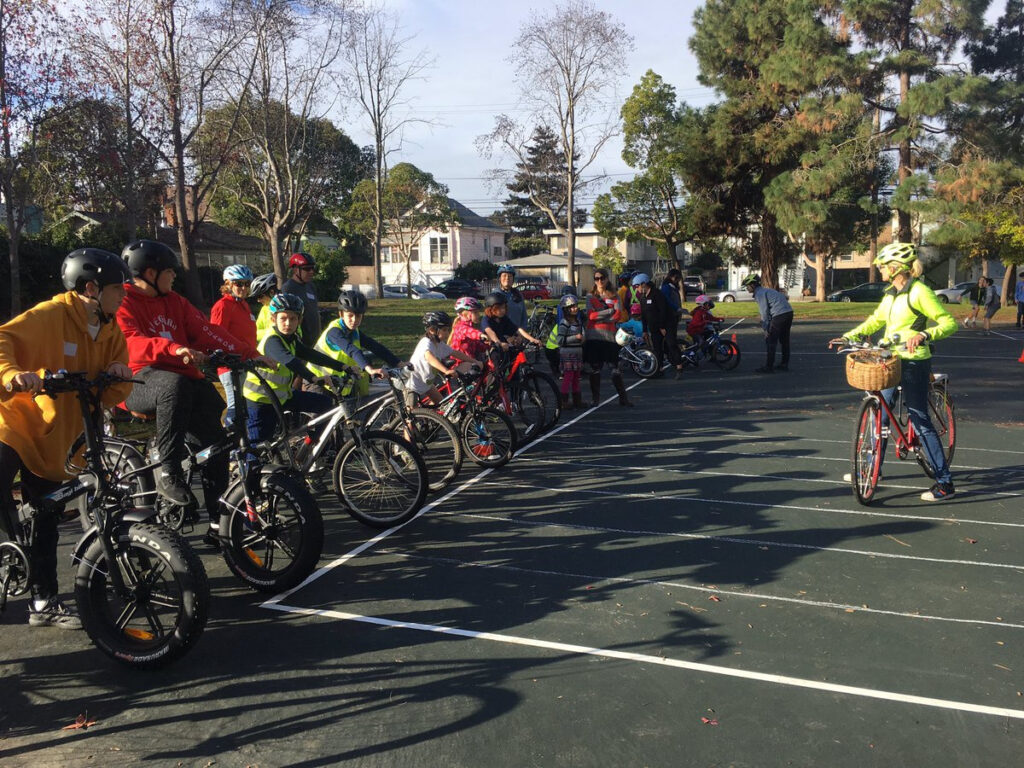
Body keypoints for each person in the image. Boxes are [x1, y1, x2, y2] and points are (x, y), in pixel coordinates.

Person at [0, 248, 133, 628]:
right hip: (16, 423)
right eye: (116, 288)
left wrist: (118, 372)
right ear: (91, 288)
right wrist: (11, 374)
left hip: (59, 437)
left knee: (46, 516)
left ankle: (43, 603)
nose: (124, 294)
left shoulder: (109, 330)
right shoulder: (51, 314)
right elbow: (3, 340)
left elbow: (110, 393)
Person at [116, 239, 253, 540]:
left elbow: (206, 330)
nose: (175, 276)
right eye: (170, 271)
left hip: (181, 380)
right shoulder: (123, 301)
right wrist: (174, 348)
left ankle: (220, 526)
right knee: (173, 384)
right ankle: (169, 472)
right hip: (137, 381)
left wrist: (249, 354)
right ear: (150, 273)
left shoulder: (174, 301)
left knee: (218, 441)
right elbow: (131, 344)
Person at [829, 241, 958, 501]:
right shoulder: (891, 292)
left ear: (896, 267)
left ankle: (945, 483)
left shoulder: (919, 291)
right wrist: (847, 336)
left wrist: (924, 333)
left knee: (919, 418)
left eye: (884, 266)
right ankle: (873, 468)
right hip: (890, 359)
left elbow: (949, 322)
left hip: (914, 361)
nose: (880, 270)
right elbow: (876, 320)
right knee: (880, 413)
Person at [242, 293, 359, 443]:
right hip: (261, 401)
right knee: (260, 447)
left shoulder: (290, 338)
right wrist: (314, 378)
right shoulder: (272, 341)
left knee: (325, 404)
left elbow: (312, 355)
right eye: (283, 318)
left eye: (292, 319)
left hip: (283, 396)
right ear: (273, 319)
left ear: (299, 320)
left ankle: (312, 446)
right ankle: (247, 465)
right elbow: (290, 361)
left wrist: (343, 367)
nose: (288, 323)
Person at [307, 289, 399, 417]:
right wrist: (369, 369)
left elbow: (374, 346)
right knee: (321, 428)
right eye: (350, 315)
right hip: (318, 382)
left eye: (358, 316)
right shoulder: (334, 332)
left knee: (345, 424)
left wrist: (398, 362)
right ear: (341, 314)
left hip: (337, 384)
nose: (354, 320)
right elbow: (352, 350)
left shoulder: (354, 332)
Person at [210, 265, 257, 427]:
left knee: (242, 406)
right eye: (238, 284)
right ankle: (230, 441)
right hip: (230, 366)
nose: (243, 288)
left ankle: (240, 441)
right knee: (235, 406)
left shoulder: (243, 305)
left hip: (245, 363)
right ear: (228, 283)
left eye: (246, 284)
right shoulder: (223, 306)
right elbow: (215, 335)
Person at [583, 268, 632, 407]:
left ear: (607, 278)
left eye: (602, 278)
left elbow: (618, 315)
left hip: (610, 336)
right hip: (594, 335)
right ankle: (595, 399)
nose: (599, 281)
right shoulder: (590, 296)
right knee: (595, 368)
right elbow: (590, 316)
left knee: (614, 368)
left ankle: (623, 398)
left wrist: (601, 314)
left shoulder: (614, 295)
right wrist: (609, 311)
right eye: (596, 278)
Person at [408, 311, 477, 406]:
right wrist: (446, 370)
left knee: (441, 404)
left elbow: (456, 353)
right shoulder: (426, 342)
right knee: (411, 415)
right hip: (413, 384)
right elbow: (429, 357)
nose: (448, 334)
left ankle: (428, 418)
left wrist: (475, 361)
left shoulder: (439, 344)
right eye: (444, 330)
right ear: (432, 330)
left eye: (448, 330)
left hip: (427, 385)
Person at [634, 273, 685, 379]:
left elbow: (663, 311)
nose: (636, 289)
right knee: (657, 347)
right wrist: (644, 330)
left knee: (671, 344)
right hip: (654, 327)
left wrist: (662, 326)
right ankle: (659, 369)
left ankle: (679, 367)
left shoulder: (657, 294)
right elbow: (644, 315)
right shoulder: (643, 298)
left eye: (637, 286)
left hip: (667, 324)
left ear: (644, 284)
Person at [743, 273, 794, 373]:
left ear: (752, 285)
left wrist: (766, 329)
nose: (747, 288)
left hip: (779, 314)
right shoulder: (766, 290)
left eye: (747, 286)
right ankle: (784, 364)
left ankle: (769, 367)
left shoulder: (760, 294)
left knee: (771, 340)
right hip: (788, 312)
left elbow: (764, 312)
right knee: (784, 340)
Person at [280, 252, 321, 344]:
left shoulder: (311, 286)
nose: (311, 272)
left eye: (312, 268)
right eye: (307, 269)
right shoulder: (288, 288)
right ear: (295, 270)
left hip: (314, 339)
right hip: (300, 341)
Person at [556, 294, 585, 409]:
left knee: (576, 377)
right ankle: (564, 401)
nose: (575, 308)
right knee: (568, 377)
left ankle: (577, 400)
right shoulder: (564, 323)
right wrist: (575, 338)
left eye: (576, 306)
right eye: (572, 307)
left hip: (577, 353)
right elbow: (560, 340)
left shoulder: (577, 322)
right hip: (568, 354)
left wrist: (582, 339)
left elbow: (580, 336)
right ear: (566, 309)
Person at [449, 296, 490, 361]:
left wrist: (488, 346)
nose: (478, 315)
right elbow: (469, 332)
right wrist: (480, 335)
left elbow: (477, 345)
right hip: (459, 362)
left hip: (471, 360)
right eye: (475, 312)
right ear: (465, 314)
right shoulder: (460, 327)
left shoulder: (470, 327)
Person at [496, 264, 528, 330]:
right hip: (501, 336)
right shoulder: (495, 295)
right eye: (504, 276)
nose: (507, 278)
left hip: (518, 335)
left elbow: (524, 316)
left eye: (510, 276)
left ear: (513, 279)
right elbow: (492, 319)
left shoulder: (518, 294)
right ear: (500, 278)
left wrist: (521, 335)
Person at [249, 272, 278, 340]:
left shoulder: (285, 307)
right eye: (256, 297)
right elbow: (255, 332)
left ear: (272, 292)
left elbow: (279, 333)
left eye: (260, 296)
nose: (258, 300)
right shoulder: (265, 308)